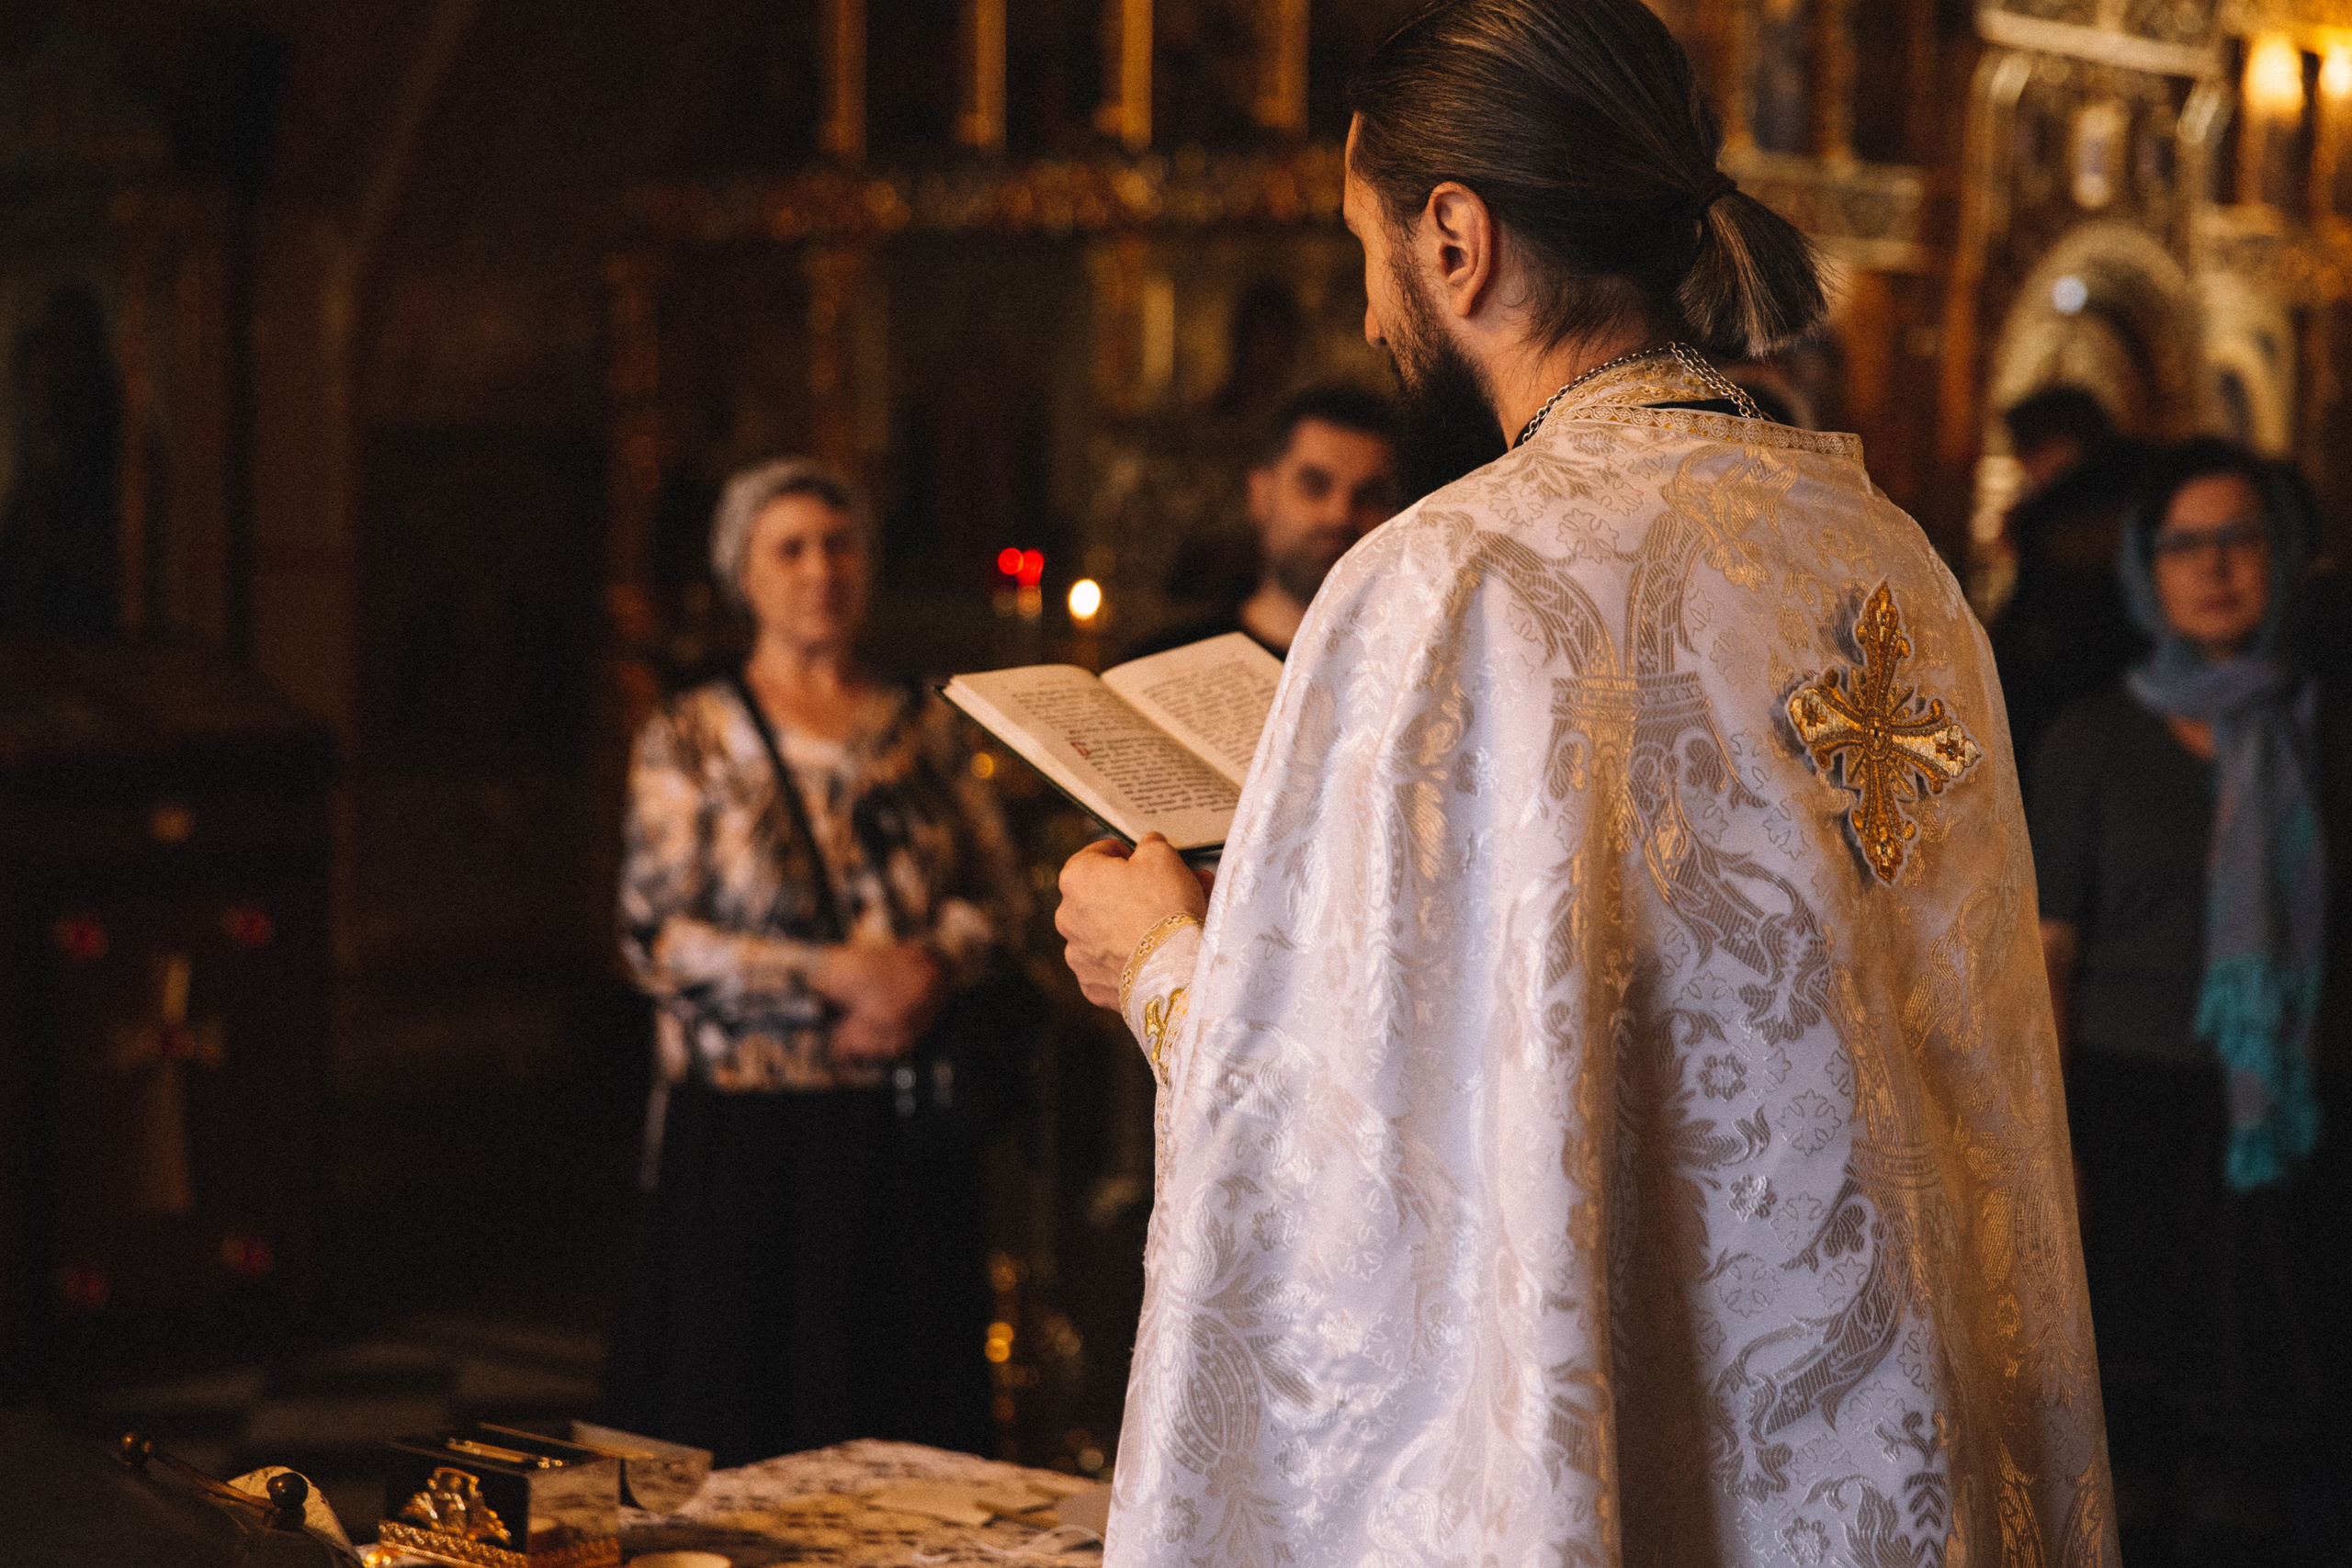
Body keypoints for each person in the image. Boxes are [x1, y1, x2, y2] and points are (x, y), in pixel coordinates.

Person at [1053, 2, 2113, 1563]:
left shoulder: (1452, 581)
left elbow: (1372, 1173)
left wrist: (1158, 959)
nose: (1366, 302)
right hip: (1891, 1450)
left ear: (1456, 239)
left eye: (1367, 241)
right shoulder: (1893, 560)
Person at [602, 457, 1026, 1466]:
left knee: (902, 1427)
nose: (819, 570)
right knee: (746, 1431)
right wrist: (832, 977)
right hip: (748, 1137)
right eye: (788, 548)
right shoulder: (689, 738)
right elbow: (654, 938)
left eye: (838, 545)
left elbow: (1001, 899)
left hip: (902, 1132)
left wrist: (924, 969)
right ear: (741, 575)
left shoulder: (922, 725)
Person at [2031, 438, 2347, 1558]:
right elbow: (2049, 952)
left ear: (2285, 555)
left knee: (2268, 1449)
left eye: (2238, 540)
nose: (2212, 569)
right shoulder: (2090, 741)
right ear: (2144, 570)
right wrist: (2051, 1136)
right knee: (2139, 1440)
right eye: (2182, 546)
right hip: (2134, 1116)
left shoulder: (2322, 731)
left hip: (2294, 1121)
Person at [1125, 384, 1403, 660]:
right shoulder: (1161, 658)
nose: (1340, 515)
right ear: (1260, 494)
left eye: (1371, 496)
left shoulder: (1407, 674)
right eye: (1315, 486)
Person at [1991, 386, 2150, 771]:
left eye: (2027, 455)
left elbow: (2033, 635)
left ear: (2057, 447)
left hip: (2061, 716)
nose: (2026, 470)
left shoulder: (2053, 521)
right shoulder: (2147, 491)